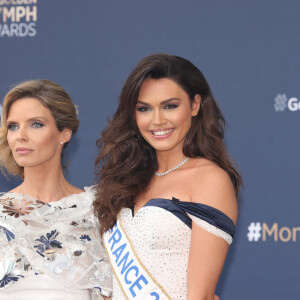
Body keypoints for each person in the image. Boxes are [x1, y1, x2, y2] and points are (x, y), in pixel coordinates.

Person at [94, 53, 242, 300]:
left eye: (170, 106)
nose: (158, 120)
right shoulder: (124, 178)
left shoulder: (209, 179)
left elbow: (201, 296)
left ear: (195, 105)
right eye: (144, 109)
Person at [0, 80, 112, 299]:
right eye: (13, 126)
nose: (20, 135)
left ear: (64, 133)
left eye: (36, 124)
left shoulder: (98, 210)